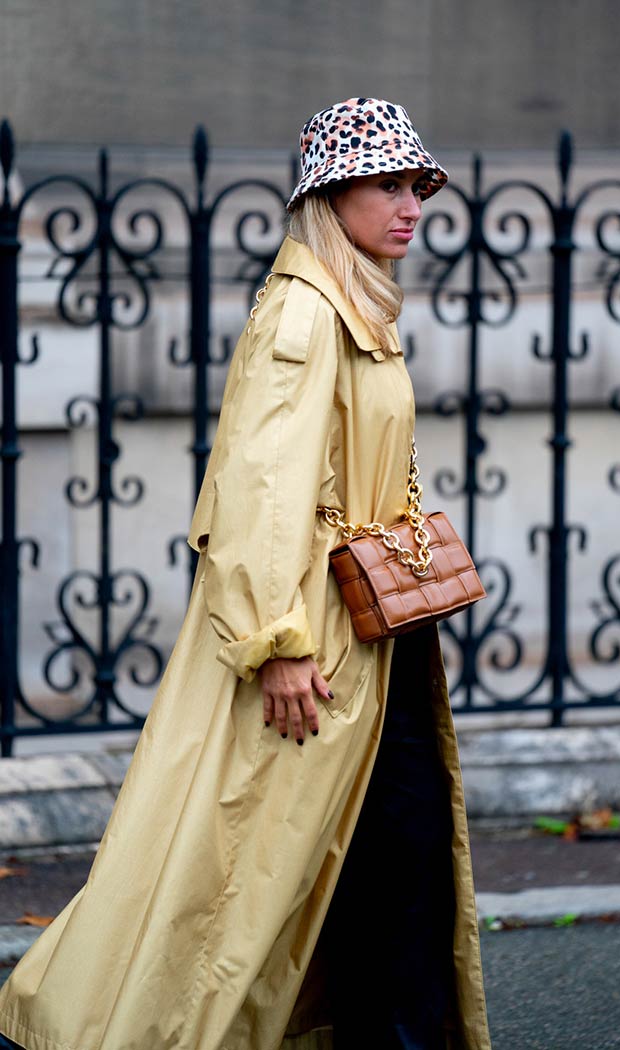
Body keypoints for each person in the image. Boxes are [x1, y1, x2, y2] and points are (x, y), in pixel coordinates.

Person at [0, 98, 491, 1050]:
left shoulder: (356, 304)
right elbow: (258, 492)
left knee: (371, 857)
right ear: (331, 195)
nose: (411, 206)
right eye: (387, 184)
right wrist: (278, 644)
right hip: (317, 644)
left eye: (415, 185)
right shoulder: (306, 314)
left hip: (367, 639)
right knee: (255, 869)